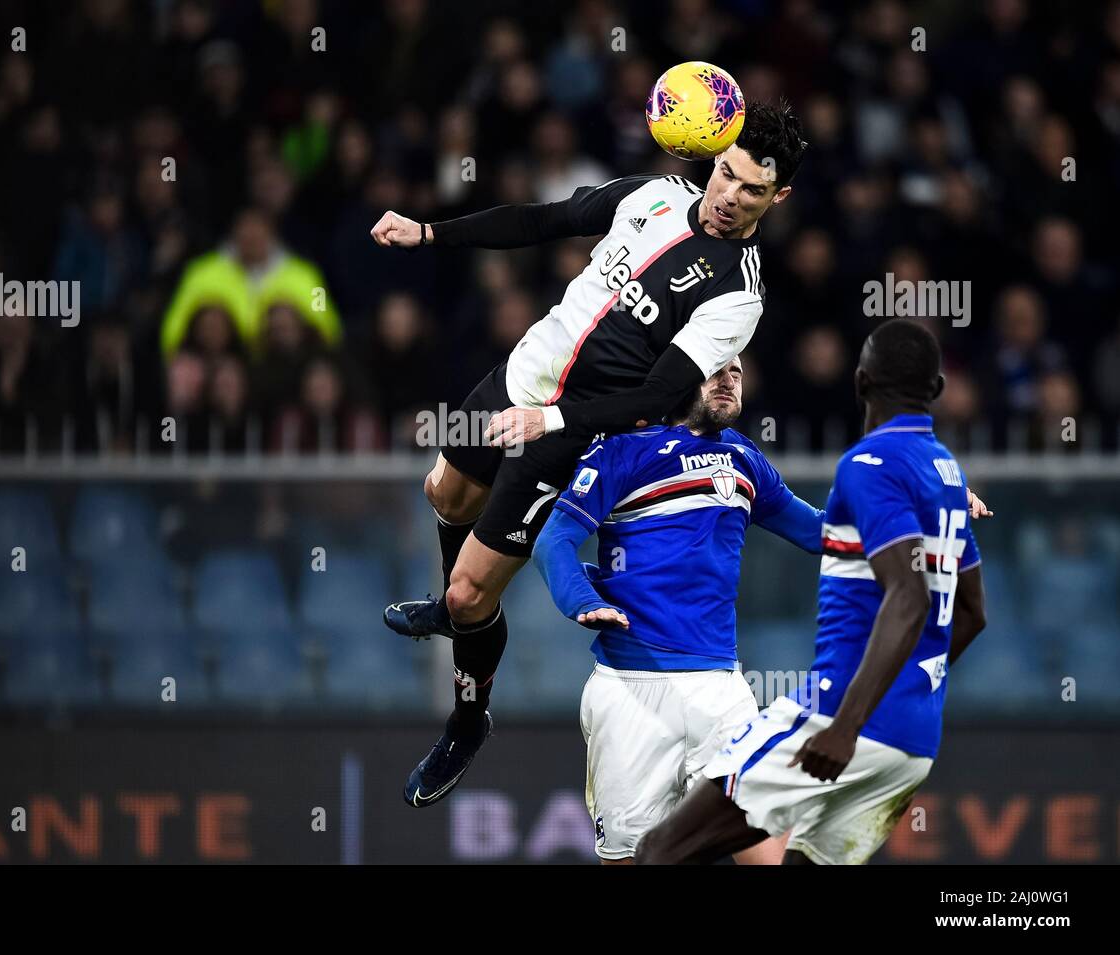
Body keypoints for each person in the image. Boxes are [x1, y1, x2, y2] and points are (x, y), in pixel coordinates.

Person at [372, 102, 807, 808]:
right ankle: (458, 619)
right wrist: (429, 232)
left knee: (467, 591)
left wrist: (549, 421)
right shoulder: (655, 195)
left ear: (777, 197)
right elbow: (540, 221)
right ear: (713, 160)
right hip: (520, 377)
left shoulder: (738, 297)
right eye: (726, 174)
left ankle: (467, 719)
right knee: (443, 495)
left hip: (572, 431)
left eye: (752, 190)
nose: (729, 197)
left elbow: (653, 398)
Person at [635, 319, 988, 865]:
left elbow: (909, 598)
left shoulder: (867, 465)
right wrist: (915, 689)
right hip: (913, 742)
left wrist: (846, 728)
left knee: (661, 849)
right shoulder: (946, 475)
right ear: (937, 391)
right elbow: (971, 615)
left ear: (860, 382)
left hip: (838, 717)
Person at [533, 356, 815, 863]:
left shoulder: (744, 459)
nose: (729, 381)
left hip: (723, 691)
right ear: (682, 377)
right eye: (716, 370)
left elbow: (821, 531)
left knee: (766, 856)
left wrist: (925, 505)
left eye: (737, 372)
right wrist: (583, 601)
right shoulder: (622, 451)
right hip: (631, 691)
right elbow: (553, 541)